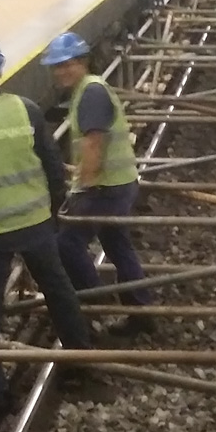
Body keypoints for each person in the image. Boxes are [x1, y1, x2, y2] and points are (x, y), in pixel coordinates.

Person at [0, 35, 91, 417]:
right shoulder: (25, 110)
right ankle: (80, 364)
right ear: (0, 69)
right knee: (58, 290)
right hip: (35, 222)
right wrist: (52, 208)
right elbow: (52, 165)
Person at [41, 32, 152, 337]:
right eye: (56, 66)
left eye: (67, 64)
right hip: (118, 183)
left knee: (67, 243)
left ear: (83, 62)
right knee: (117, 244)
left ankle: (94, 304)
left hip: (105, 188)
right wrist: (75, 170)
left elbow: (94, 145)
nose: (61, 71)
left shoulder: (89, 93)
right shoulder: (88, 90)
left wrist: (81, 189)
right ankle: (141, 311)